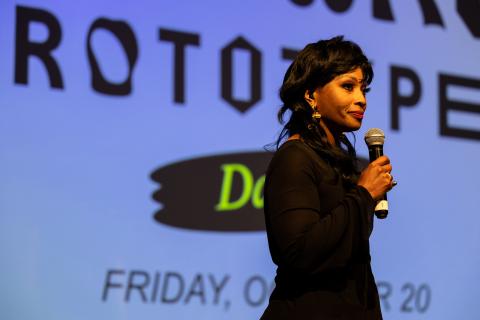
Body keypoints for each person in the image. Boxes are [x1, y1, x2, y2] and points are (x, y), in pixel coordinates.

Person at [260, 36, 393, 319]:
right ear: (311, 95)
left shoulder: (336, 163)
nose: (361, 99)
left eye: (363, 89)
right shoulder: (294, 158)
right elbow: (298, 252)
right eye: (348, 86)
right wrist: (363, 194)